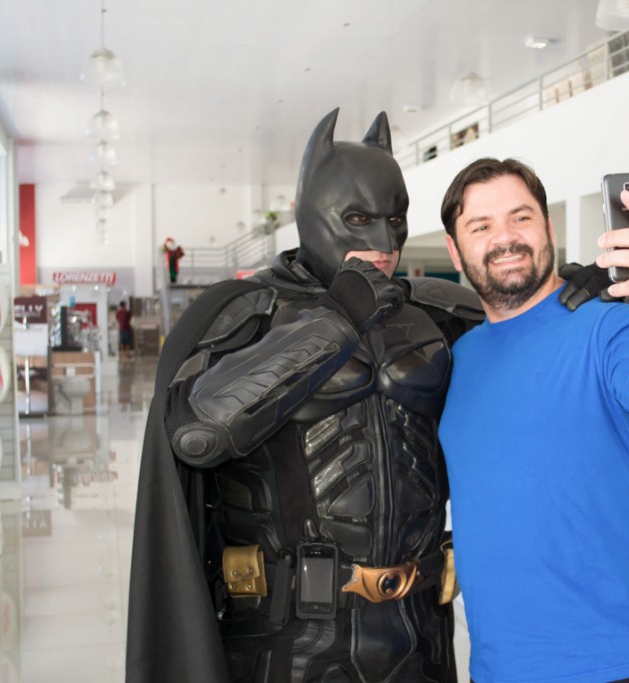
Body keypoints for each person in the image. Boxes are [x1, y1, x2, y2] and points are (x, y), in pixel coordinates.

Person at [127, 109, 488, 683]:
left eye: (395, 219)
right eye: (358, 218)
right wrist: (337, 320)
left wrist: (587, 298)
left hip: (419, 631)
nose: (383, 241)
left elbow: (532, 344)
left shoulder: (436, 314)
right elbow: (197, 433)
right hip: (289, 639)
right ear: (309, 213)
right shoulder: (248, 315)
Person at [437, 158, 629, 683]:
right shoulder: (460, 357)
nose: (505, 237)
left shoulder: (609, 326)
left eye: (521, 217)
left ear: (547, 227)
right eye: (481, 226)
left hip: (626, 662)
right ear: (455, 250)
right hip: (502, 668)